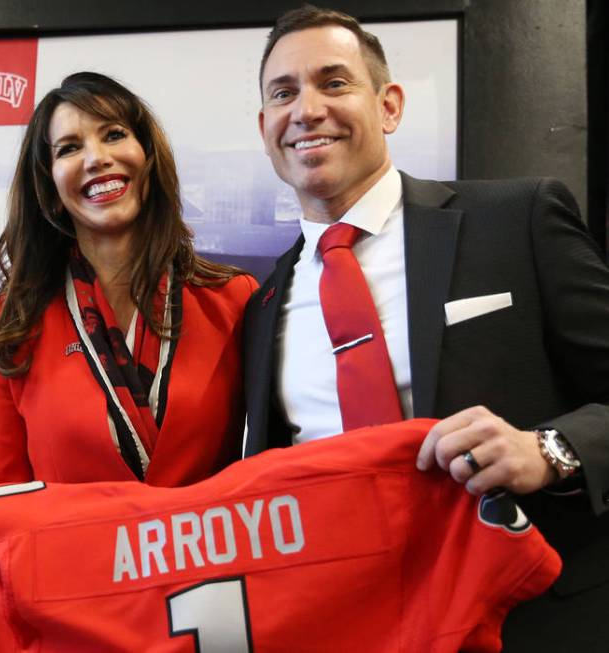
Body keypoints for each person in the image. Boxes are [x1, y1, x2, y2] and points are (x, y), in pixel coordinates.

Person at [241, 5, 609, 649]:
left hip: (536, 619)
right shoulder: (262, 302)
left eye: (334, 83)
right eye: (283, 93)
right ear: (265, 126)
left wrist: (549, 450)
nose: (306, 110)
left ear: (389, 107)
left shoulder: (517, 219)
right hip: (357, 628)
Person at [0, 72, 256, 541]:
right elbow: (2, 504)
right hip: (72, 598)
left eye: (114, 135)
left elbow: (273, 468)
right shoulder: (8, 329)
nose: (96, 158)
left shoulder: (233, 300)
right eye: (69, 148)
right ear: (49, 185)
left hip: (212, 592)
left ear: (147, 157)